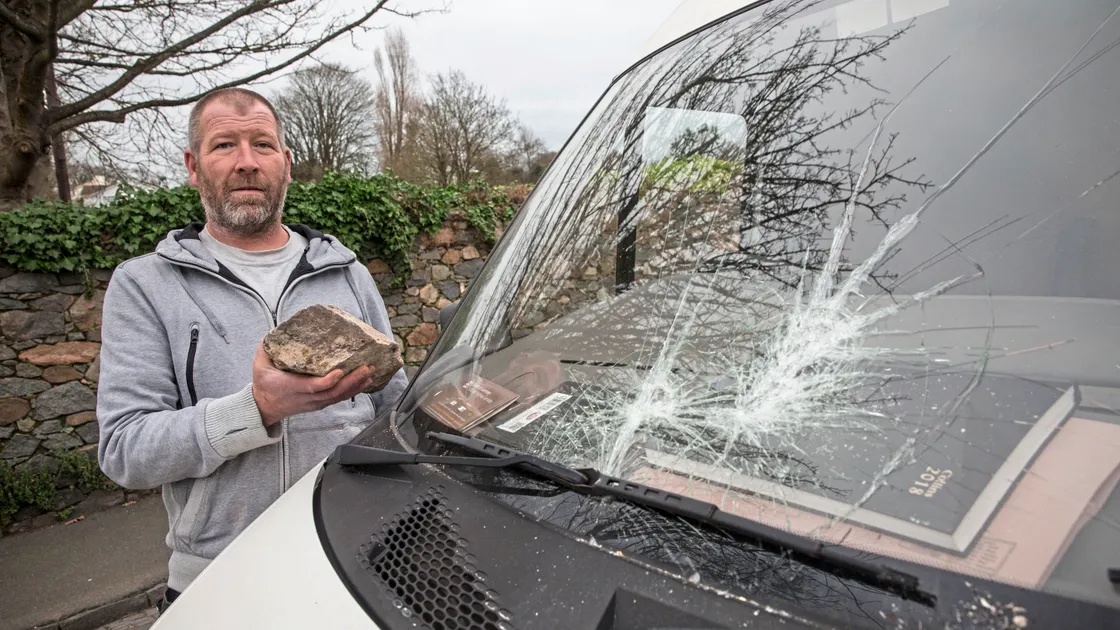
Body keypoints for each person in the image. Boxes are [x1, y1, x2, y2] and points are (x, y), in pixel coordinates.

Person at [95, 88, 408, 610]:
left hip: (359, 555)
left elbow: (393, 411)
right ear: (194, 167)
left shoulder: (348, 272)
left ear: (285, 164)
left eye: (262, 145)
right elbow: (125, 451)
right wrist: (257, 410)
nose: (246, 162)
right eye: (224, 146)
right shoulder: (145, 285)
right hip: (222, 576)